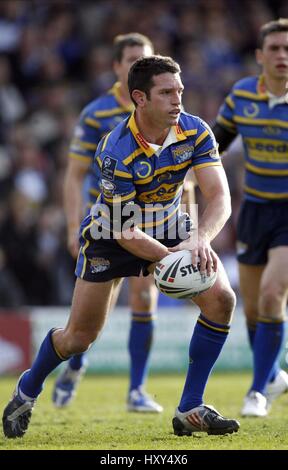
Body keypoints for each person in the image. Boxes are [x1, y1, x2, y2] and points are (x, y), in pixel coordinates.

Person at [2, 55, 240, 439]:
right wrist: (168, 259)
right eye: (166, 92)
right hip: (112, 234)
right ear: (139, 98)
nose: (178, 99)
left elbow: (220, 197)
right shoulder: (116, 148)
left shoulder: (196, 131)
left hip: (168, 223)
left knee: (222, 300)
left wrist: (199, 238)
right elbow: (124, 230)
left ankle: (189, 408)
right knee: (78, 338)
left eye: (179, 90)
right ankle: (27, 389)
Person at [53, 33, 164, 413]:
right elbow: (74, 174)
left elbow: (186, 173)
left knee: (145, 295)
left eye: (144, 59)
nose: (138, 66)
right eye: (132, 59)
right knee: (97, 310)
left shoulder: (165, 105)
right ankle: (78, 358)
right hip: (103, 221)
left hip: (149, 219)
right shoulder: (95, 113)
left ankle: (137, 390)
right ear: (116, 67)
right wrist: (72, 226)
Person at [212, 18, 288, 417]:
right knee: (255, 307)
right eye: (274, 48)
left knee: (275, 294)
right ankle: (274, 374)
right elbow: (215, 144)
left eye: (287, 49)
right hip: (254, 209)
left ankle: (257, 391)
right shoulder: (242, 94)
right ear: (260, 56)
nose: (282, 56)